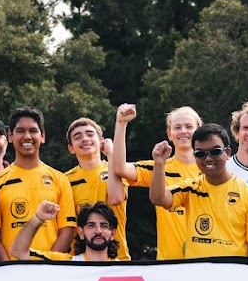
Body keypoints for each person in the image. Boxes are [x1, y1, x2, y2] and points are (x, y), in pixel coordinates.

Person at [149, 123, 248, 259]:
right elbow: (159, 198)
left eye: (215, 152)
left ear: (227, 153)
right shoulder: (190, 188)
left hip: (232, 276)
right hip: (196, 275)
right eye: (200, 154)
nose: (208, 158)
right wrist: (159, 163)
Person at [112, 103, 200, 259]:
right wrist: (121, 123)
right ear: (169, 134)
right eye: (177, 127)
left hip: (208, 260)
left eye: (189, 126)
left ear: (199, 129)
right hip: (169, 264)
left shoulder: (212, 170)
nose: (183, 131)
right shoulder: (159, 167)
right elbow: (119, 168)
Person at [0, 107, 77, 260]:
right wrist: (7, 266)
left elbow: (67, 230)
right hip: (11, 271)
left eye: (33, 131)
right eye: (20, 131)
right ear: (10, 136)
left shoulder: (60, 179)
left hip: (50, 271)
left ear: (42, 136)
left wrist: (47, 263)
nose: (27, 136)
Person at [64, 117, 129, 260]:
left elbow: (116, 198)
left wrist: (112, 154)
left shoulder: (117, 169)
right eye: (77, 136)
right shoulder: (65, 180)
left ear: (101, 142)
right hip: (78, 260)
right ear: (71, 148)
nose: (85, 139)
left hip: (116, 258)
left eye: (89, 134)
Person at [11, 200, 120, 262]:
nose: (98, 231)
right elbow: (18, 251)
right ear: (81, 233)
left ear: (113, 233)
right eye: (91, 226)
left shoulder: (123, 270)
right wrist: (38, 218)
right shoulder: (65, 264)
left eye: (104, 226)